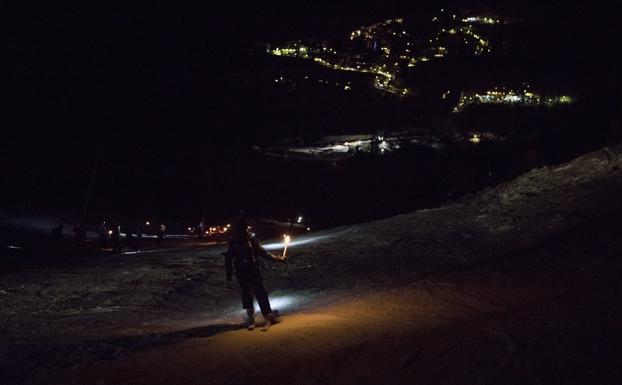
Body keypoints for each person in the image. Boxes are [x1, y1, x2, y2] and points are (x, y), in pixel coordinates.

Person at [224, 219, 282, 330]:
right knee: (246, 293)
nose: (241, 230)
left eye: (243, 228)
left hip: (253, 270)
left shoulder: (251, 240)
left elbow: (263, 253)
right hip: (241, 271)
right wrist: (229, 273)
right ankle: (250, 317)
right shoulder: (234, 242)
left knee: (260, 292)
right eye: (239, 228)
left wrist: (278, 258)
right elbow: (228, 258)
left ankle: (267, 316)